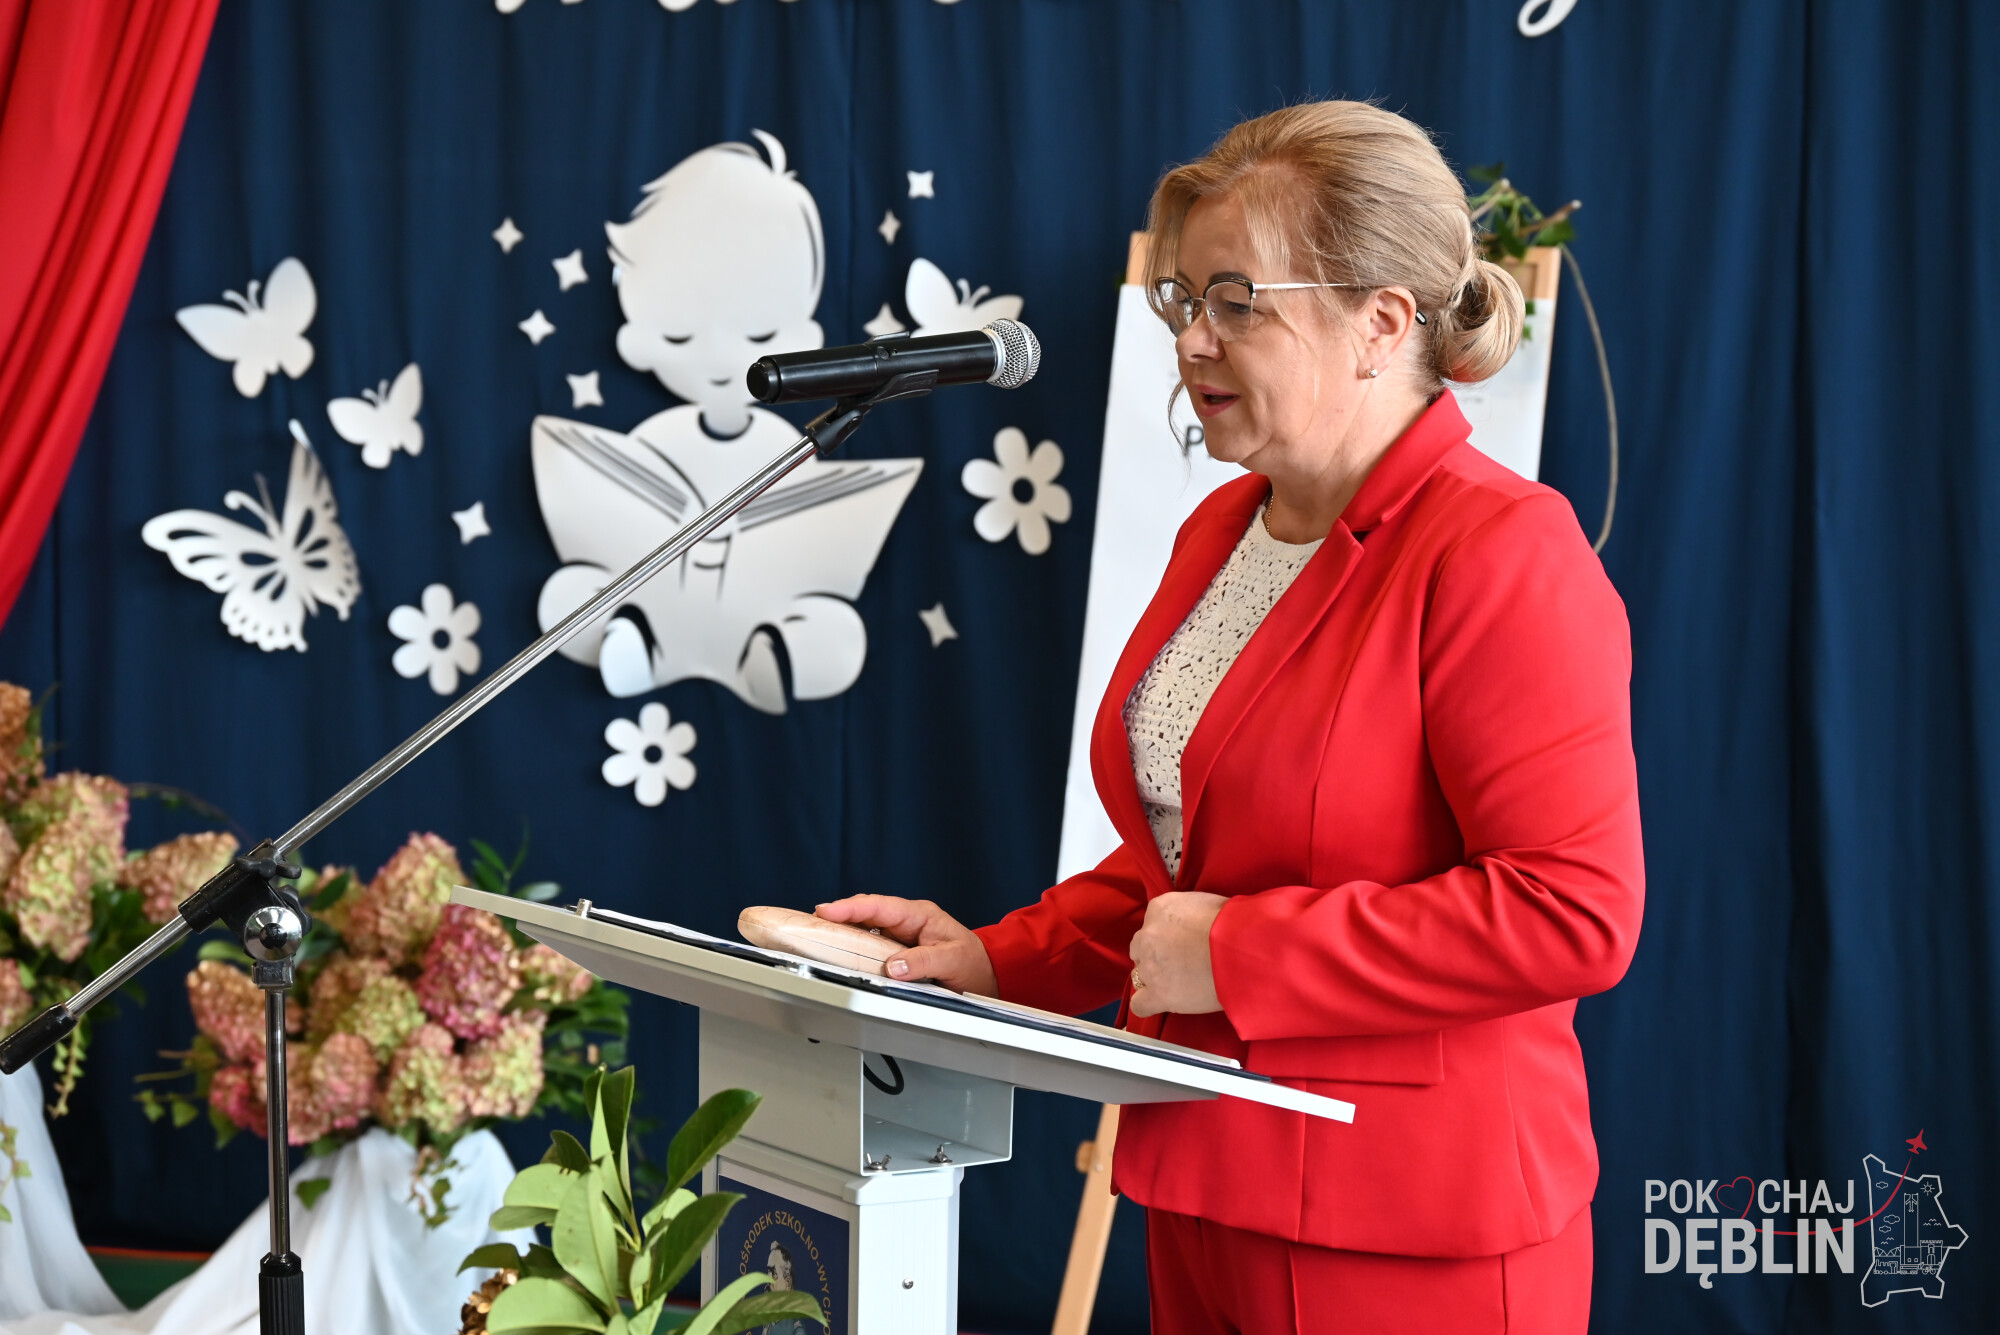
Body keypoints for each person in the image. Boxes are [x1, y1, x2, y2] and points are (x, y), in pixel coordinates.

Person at [817, 100, 1643, 1334]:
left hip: (1406, 1224)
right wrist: (996, 962)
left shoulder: (1500, 551)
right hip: (1200, 1169)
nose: (1190, 340)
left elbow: (1572, 912)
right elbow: (1188, 862)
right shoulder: (1222, 530)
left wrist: (1243, 957)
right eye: (1181, 301)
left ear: (1380, 325)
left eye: (1234, 302)